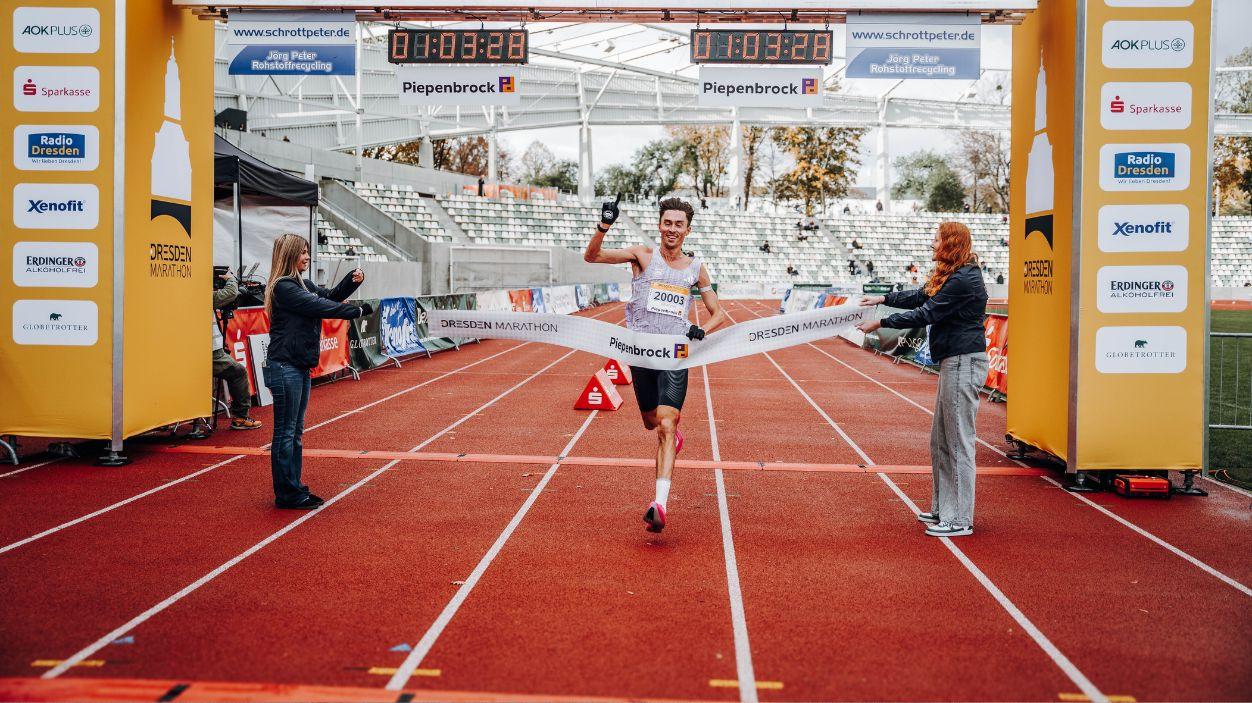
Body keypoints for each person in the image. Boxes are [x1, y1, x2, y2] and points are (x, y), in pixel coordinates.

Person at [584, 195, 726, 532]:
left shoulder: (695, 268)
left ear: (688, 230)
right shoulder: (641, 256)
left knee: (666, 424)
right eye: (667, 223)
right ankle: (671, 440)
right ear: (659, 225)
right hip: (640, 353)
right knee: (651, 422)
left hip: (675, 356)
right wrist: (604, 226)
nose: (672, 229)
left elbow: (718, 314)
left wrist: (699, 330)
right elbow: (592, 256)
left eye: (679, 224)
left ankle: (659, 503)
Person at [856, 222, 989, 537]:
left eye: (937, 239)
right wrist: (882, 299)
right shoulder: (953, 275)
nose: (932, 244)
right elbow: (920, 295)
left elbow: (926, 312)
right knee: (941, 440)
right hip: (952, 362)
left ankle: (959, 520)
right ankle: (945, 508)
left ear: (950, 243)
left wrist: (882, 323)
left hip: (964, 361)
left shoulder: (964, 280)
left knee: (957, 442)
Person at [263, 234, 373, 510]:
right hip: (285, 366)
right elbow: (320, 306)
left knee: (295, 432)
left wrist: (351, 281)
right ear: (289, 255)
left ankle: (293, 487)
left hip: (298, 366)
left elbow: (330, 296)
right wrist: (357, 311)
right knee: (286, 433)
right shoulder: (284, 288)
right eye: (303, 252)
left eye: (308, 252)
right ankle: (287, 493)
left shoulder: (303, 284)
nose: (307, 257)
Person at [212, 269, 261, 430]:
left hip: (212, 348)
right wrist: (231, 279)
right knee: (238, 372)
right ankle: (240, 417)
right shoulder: (199, 293)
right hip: (210, 351)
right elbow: (230, 293)